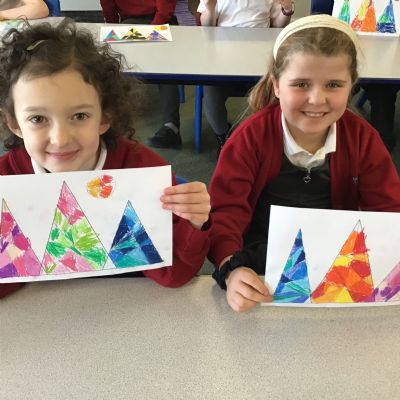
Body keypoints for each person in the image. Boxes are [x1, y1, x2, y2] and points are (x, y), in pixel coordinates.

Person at [0, 19, 211, 299]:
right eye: (38, 119)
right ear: (14, 123)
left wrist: (193, 222)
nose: (60, 139)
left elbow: (174, 275)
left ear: (105, 117)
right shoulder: (7, 182)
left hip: (129, 309)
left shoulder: (140, 170)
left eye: (79, 116)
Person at [208, 15, 400, 312]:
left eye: (333, 84)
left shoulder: (362, 139)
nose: (317, 99)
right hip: (259, 265)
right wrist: (231, 269)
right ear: (276, 85)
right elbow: (225, 212)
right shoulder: (250, 137)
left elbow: (388, 211)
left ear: (351, 86)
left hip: (335, 265)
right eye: (301, 84)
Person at [197, 0, 295, 155]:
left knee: (275, 86)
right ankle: (223, 137)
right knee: (211, 88)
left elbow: (277, 25)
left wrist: (287, 9)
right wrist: (209, 8)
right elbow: (207, 26)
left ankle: (265, 138)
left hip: (259, 53)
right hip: (224, 53)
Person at [310, 0, 399, 152]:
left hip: (385, 54)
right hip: (339, 52)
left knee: (383, 95)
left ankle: (381, 147)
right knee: (333, 89)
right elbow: (318, 21)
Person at [100, 0, 184, 149]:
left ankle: (171, 127)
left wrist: (151, 33)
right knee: (113, 65)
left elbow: (164, 8)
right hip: (128, 24)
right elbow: (109, 8)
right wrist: (115, 30)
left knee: (166, 67)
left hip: (159, 22)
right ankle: (115, 127)